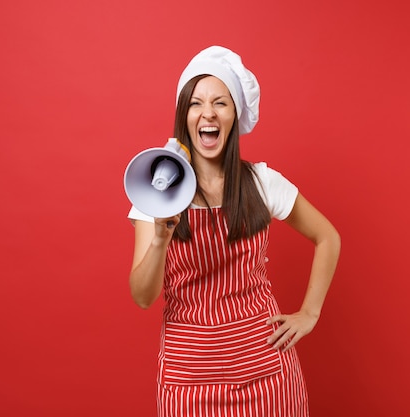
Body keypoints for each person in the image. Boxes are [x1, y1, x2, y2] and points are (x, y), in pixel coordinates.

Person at [127, 46, 341, 417]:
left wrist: (310, 313)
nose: (207, 112)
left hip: (266, 375)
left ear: (234, 115)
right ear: (184, 116)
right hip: (188, 380)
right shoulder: (154, 193)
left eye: (220, 103)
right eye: (196, 103)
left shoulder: (261, 182)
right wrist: (161, 236)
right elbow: (143, 297)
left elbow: (328, 237)